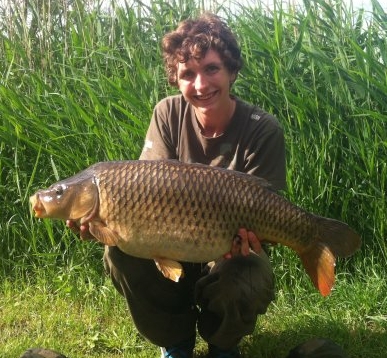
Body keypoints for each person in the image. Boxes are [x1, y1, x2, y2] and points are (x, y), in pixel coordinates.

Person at [68, 12, 286, 358]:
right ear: (176, 79)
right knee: (120, 252)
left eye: (212, 69)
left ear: (231, 70)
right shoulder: (167, 114)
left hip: (229, 248)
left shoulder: (263, 129)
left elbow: (269, 205)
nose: (200, 85)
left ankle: (223, 344)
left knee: (248, 274)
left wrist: (258, 238)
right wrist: (104, 222)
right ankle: (175, 341)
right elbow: (145, 191)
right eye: (188, 74)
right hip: (170, 239)